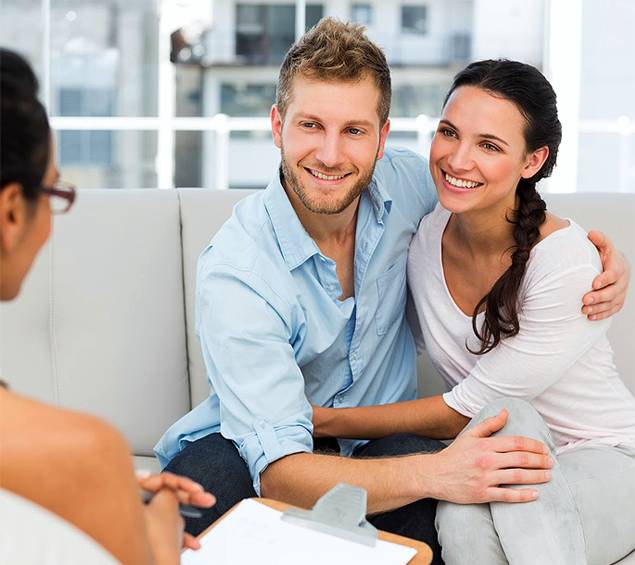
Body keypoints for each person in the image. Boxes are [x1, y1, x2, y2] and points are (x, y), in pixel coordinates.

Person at [154, 19, 630, 559]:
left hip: (387, 447)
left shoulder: (414, 187)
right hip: (262, 446)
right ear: (276, 125)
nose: (331, 155)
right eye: (311, 125)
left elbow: (499, 193)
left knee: (432, 512)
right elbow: (281, 472)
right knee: (197, 495)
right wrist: (438, 470)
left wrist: (599, 256)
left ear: (383, 138)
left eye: (354, 131)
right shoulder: (238, 270)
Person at [311, 59, 635, 564]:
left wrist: (325, 422)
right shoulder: (421, 234)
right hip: (491, 452)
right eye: (448, 133)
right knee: (460, 515)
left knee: (507, 420)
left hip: (603, 454)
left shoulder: (568, 264)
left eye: (489, 145)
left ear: (532, 161)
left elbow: (467, 409)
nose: (458, 160)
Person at [0, 48, 214, 565]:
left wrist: (104, 491)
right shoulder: (86, 452)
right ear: (11, 213)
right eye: (54, 192)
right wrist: (157, 520)